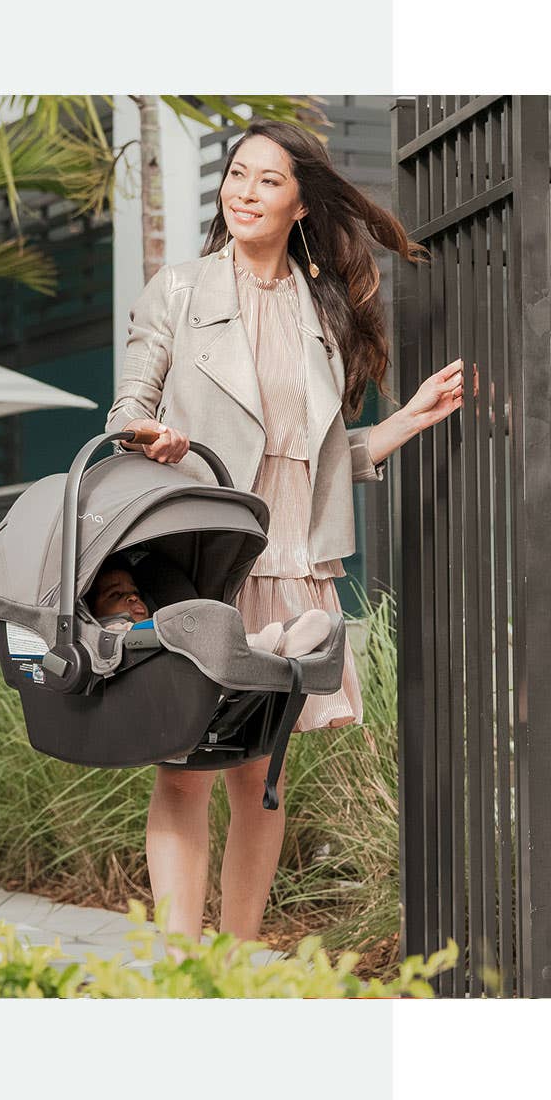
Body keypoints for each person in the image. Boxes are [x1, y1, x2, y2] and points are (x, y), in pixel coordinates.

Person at [107, 118, 463, 948]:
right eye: (237, 175)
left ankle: (232, 965)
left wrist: (406, 422)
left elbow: (322, 459)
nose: (244, 192)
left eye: (268, 180)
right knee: (185, 768)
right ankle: (177, 969)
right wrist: (147, 434)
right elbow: (130, 401)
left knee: (261, 780)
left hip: (294, 572)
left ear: (302, 202)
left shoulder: (324, 312)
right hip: (201, 560)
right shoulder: (181, 289)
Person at [85, 556, 333, 660]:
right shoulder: (110, 632)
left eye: (135, 593)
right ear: (94, 611)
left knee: (219, 643)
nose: (131, 598)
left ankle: (278, 647)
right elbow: (133, 639)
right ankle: (272, 648)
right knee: (210, 641)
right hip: (165, 674)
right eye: (116, 594)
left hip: (187, 666)